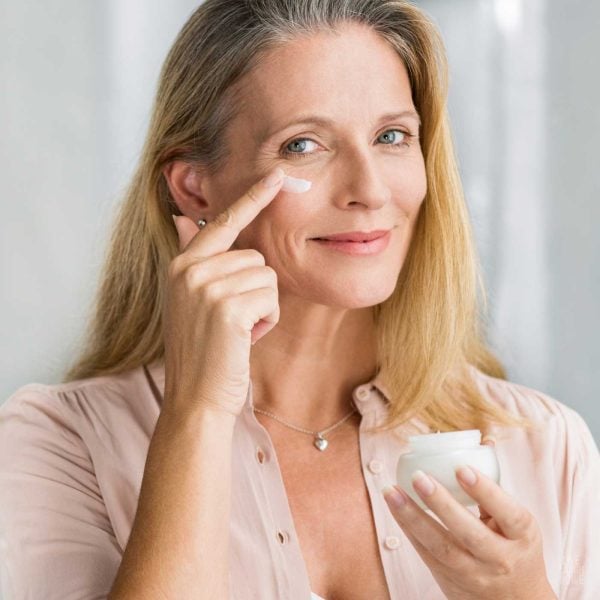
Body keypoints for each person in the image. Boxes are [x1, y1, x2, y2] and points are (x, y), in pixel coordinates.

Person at [0, 1, 598, 598]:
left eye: (392, 136)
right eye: (304, 145)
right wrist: (199, 412)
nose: (369, 189)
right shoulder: (61, 446)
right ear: (194, 188)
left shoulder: (544, 446)